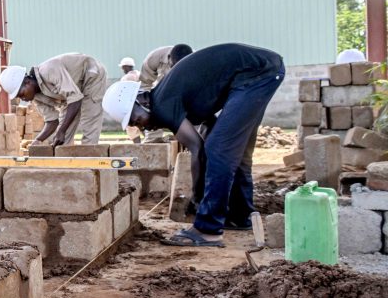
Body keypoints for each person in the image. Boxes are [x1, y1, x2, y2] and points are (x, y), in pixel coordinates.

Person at [102, 43, 284, 248]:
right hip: (259, 71)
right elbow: (207, 126)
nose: (142, 128)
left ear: (141, 101)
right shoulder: (167, 95)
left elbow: (197, 149)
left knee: (218, 149)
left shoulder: (163, 105)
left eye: (136, 120)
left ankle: (208, 229)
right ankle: (239, 217)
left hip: (256, 74)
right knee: (232, 150)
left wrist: (198, 197)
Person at [0, 53, 108, 146]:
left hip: (91, 74)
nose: (23, 98)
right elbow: (52, 121)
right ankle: (66, 164)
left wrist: (61, 131)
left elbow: (75, 100)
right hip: (72, 92)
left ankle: (89, 163)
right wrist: (38, 140)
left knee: (89, 119)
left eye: (21, 94)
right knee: (62, 138)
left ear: (28, 82)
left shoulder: (49, 70)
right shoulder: (36, 97)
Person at [138, 44, 193, 142]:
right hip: (159, 88)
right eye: (174, 67)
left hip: (184, 90)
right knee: (151, 102)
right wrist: (147, 103)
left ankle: (189, 139)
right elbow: (144, 84)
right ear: (169, 58)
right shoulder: (154, 58)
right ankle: (153, 139)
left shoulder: (195, 61)